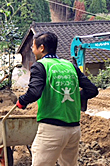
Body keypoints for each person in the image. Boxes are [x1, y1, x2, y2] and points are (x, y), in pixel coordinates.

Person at [16, 31, 98, 166]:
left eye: (33, 46)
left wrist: (22, 101)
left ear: (41, 48)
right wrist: (73, 96)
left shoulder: (41, 65)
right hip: (74, 129)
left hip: (52, 129)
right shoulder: (70, 66)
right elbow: (92, 90)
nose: (32, 49)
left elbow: (34, 92)